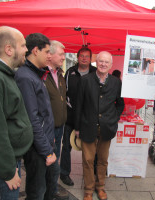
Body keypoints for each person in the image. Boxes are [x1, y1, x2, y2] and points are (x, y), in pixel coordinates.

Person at [0, 26, 33, 199]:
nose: (27, 49)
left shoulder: (2, 74)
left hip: (4, 163)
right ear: (9, 49)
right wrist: (8, 172)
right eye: (23, 45)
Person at [15, 33, 59, 200]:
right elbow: (32, 119)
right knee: (36, 191)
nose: (50, 55)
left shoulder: (35, 74)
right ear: (35, 50)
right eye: (47, 52)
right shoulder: (25, 77)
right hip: (38, 148)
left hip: (45, 142)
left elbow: (43, 113)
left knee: (49, 185)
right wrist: (47, 151)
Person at [75, 51, 124, 200]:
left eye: (106, 62)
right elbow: (79, 105)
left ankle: (100, 187)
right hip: (88, 125)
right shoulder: (85, 80)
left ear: (110, 65)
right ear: (96, 62)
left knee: (103, 160)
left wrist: (113, 118)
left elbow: (120, 104)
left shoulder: (116, 82)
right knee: (88, 160)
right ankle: (88, 190)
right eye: (101, 61)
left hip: (106, 127)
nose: (103, 64)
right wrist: (77, 127)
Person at [60, 47, 97, 186]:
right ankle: (64, 173)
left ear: (90, 59)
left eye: (87, 56)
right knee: (66, 146)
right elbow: (64, 92)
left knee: (92, 147)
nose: (84, 58)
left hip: (89, 118)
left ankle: (93, 174)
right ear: (77, 57)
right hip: (71, 116)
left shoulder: (95, 73)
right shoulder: (70, 72)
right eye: (81, 56)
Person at [44, 40, 67, 160]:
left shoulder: (59, 74)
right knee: (46, 160)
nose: (63, 58)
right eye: (61, 54)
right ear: (50, 55)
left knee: (55, 158)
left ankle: (53, 178)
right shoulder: (41, 74)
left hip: (59, 125)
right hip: (47, 128)